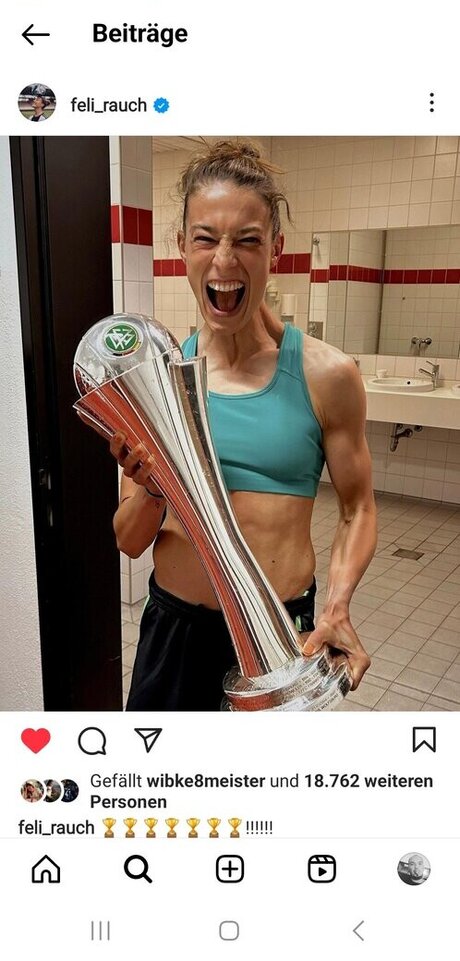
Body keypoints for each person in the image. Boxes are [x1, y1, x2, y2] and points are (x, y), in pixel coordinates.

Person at [111, 140, 377, 711]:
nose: (225, 260)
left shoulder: (327, 375)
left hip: (277, 634)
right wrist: (154, 490)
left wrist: (337, 607)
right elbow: (129, 542)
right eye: (206, 238)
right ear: (182, 246)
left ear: (275, 248)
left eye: (248, 240)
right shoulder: (155, 384)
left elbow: (358, 509)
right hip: (174, 633)